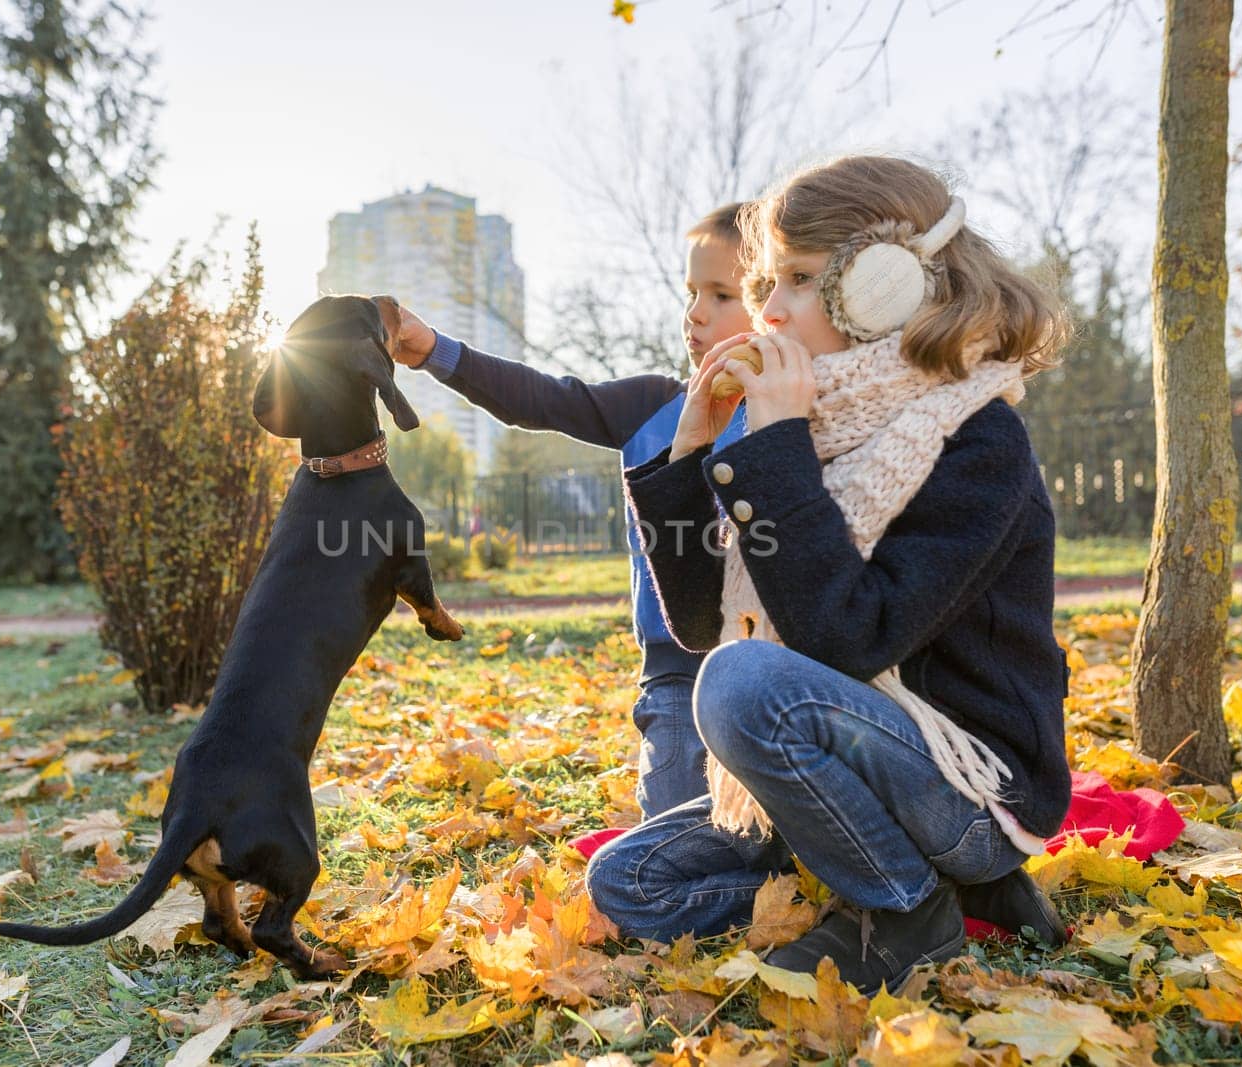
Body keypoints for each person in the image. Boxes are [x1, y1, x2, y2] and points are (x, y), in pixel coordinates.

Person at [584, 155, 1073, 994]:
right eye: (769, 281)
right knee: (629, 882)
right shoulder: (816, 425)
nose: (769, 309)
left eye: (799, 280)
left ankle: (910, 910)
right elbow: (699, 625)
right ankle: (914, 891)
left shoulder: (976, 437)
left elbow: (848, 637)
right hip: (853, 768)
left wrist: (774, 452)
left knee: (739, 686)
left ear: (885, 284)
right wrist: (693, 447)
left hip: (972, 794)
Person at [390, 204, 754, 819]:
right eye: (691, 292)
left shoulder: (803, 413)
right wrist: (432, 350)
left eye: (721, 295)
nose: (694, 313)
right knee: (678, 835)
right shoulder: (650, 404)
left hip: (772, 673)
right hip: (677, 682)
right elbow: (540, 401)